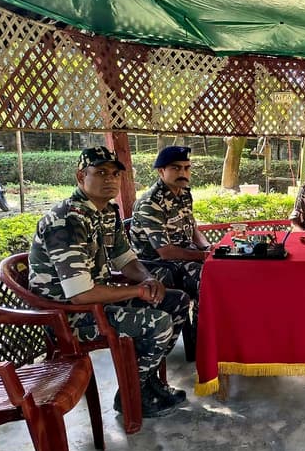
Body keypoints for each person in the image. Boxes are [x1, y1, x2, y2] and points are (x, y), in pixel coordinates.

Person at [28, 146, 190, 418]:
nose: (110, 180)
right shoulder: (68, 220)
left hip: (97, 303)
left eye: (115, 174)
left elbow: (125, 259)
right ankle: (132, 395)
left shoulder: (105, 212)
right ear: (81, 176)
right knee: (157, 322)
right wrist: (137, 290)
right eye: (101, 172)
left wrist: (148, 279)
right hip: (67, 316)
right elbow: (80, 294)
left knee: (176, 301)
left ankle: (144, 382)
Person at [129, 145, 211, 359]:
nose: (183, 173)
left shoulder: (184, 194)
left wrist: (207, 248)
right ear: (161, 171)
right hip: (155, 264)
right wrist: (203, 257)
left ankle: (211, 337)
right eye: (176, 168)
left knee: (220, 272)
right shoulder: (150, 203)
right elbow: (165, 251)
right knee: (206, 279)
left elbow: (193, 228)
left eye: (186, 168)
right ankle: (201, 344)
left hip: (182, 257)